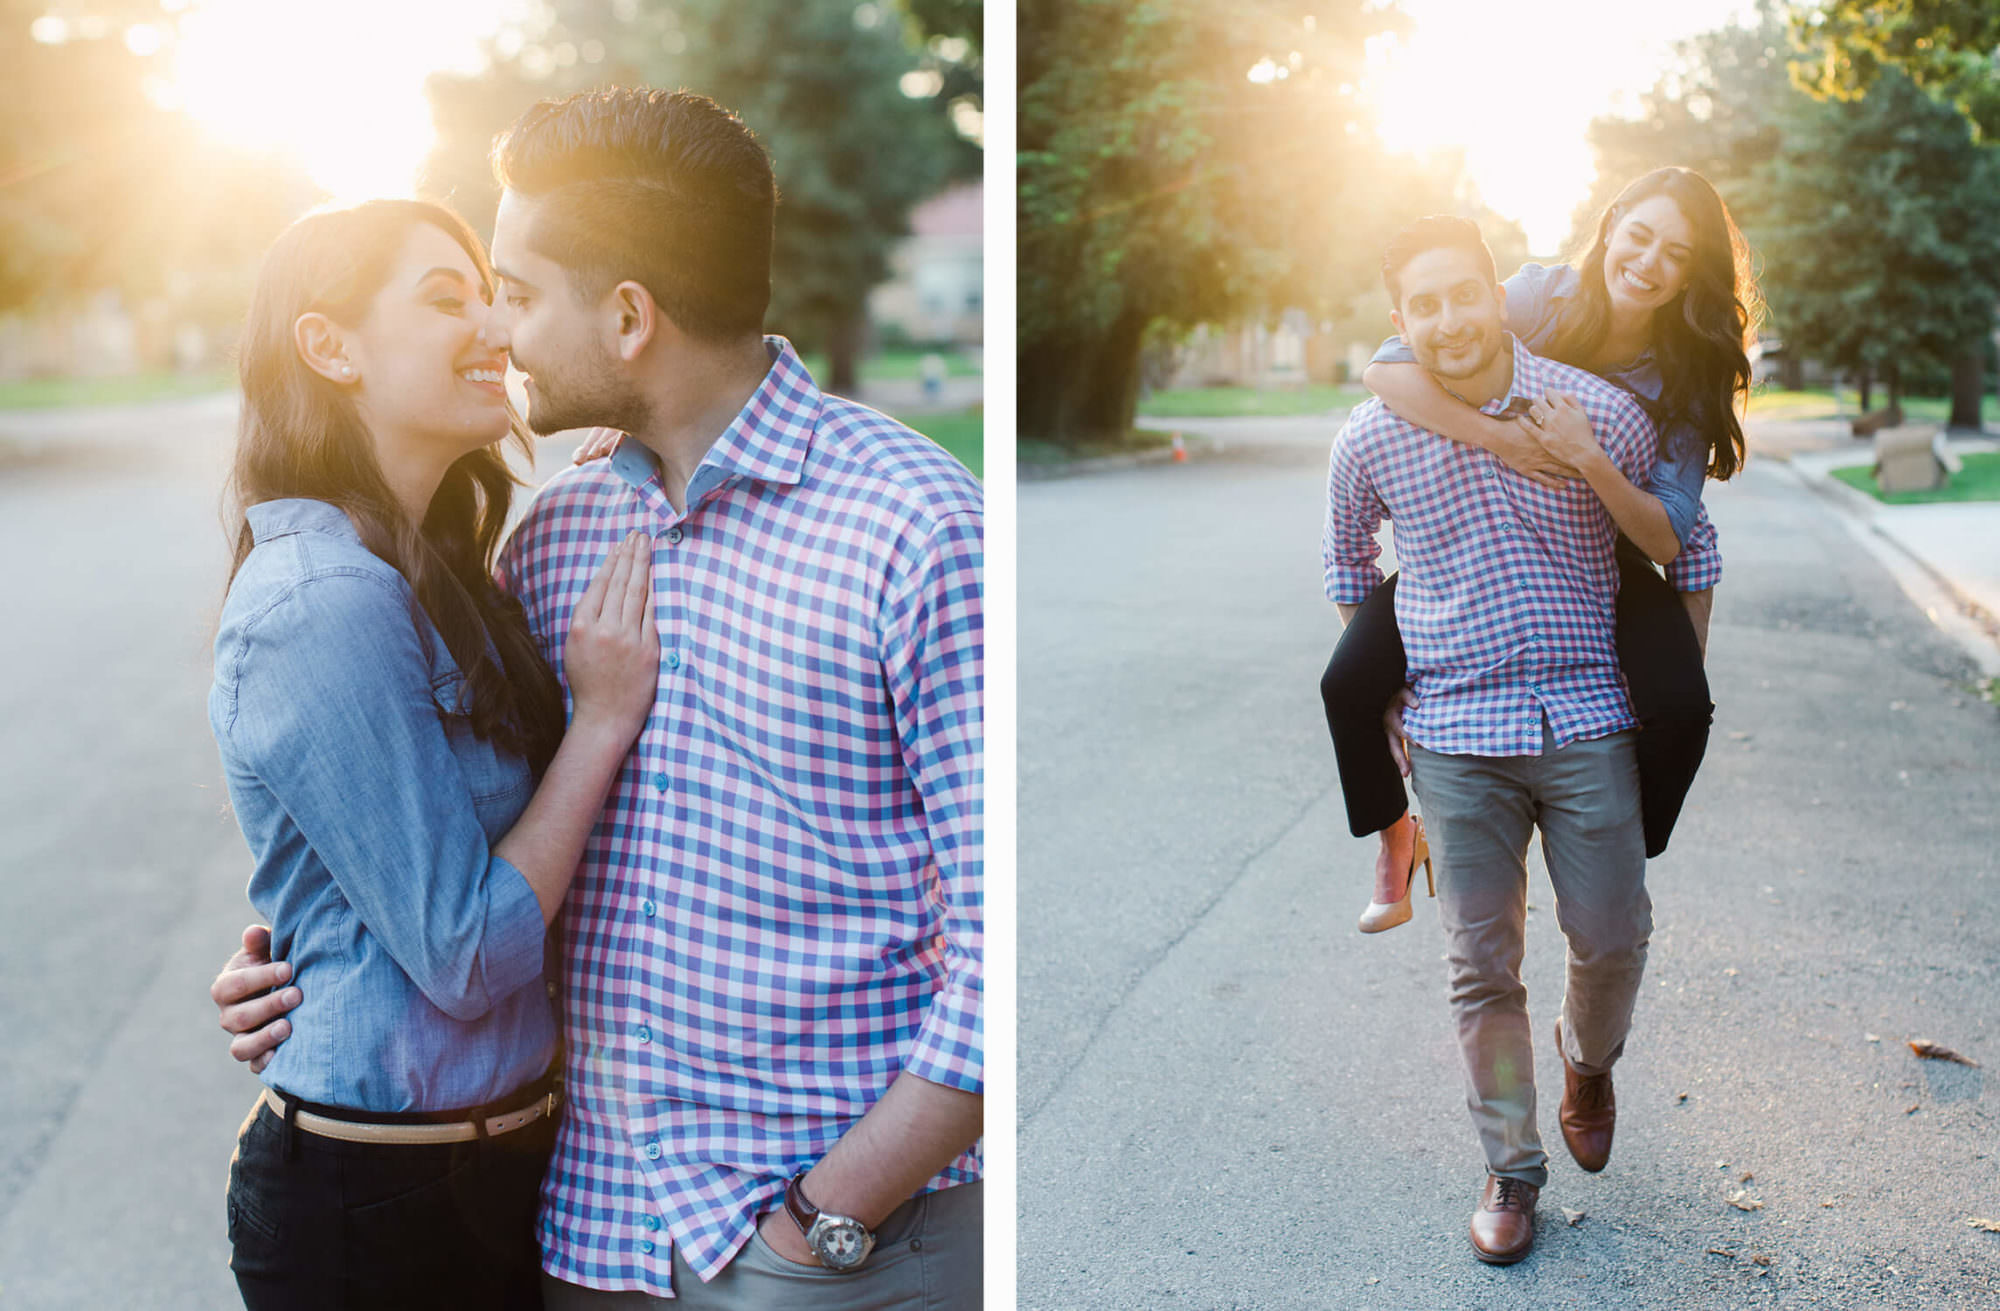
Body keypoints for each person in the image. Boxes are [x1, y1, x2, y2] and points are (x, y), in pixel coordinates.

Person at [211, 88, 985, 1308]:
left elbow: (1002, 944)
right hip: (585, 1235)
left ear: (627, 317)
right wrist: (300, 955)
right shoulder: (552, 539)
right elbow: (451, 848)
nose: (495, 334)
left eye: (511, 293)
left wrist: (826, 1219)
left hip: (831, 1248)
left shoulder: (914, 526)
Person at [209, 198, 660, 1309]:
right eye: (445, 300)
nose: (495, 332)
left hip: (501, 1170)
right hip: (375, 1213)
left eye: (494, 298)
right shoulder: (324, 601)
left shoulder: (440, 570)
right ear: (330, 346)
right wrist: (602, 722)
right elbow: (463, 953)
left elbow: (384, 851)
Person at [1324, 215, 1692, 1263]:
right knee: (1479, 965)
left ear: (1497, 296)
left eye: (1461, 295)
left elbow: (1673, 537)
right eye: (1422, 305)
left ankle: (1586, 1060)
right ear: (1401, 322)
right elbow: (1346, 563)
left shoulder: (1601, 415)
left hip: (1584, 717)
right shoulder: (1371, 436)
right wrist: (1383, 691)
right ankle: (1509, 1169)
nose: (1447, 320)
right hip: (1453, 733)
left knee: (1610, 935)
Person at [1323, 166, 1755, 933]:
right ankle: (1397, 834)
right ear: (1613, 224)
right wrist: (1503, 442)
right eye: (1641, 236)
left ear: (1694, 273)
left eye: (1676, 254)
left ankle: (1614, 846)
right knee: (1348, 685)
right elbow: (1386, 368)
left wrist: (1586, 455)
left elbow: (1667, 534)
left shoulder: (1687, 366)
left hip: (1614, 539)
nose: (1649, 263)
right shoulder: (1539, 295)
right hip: (1487, 523)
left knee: (1683, 706)